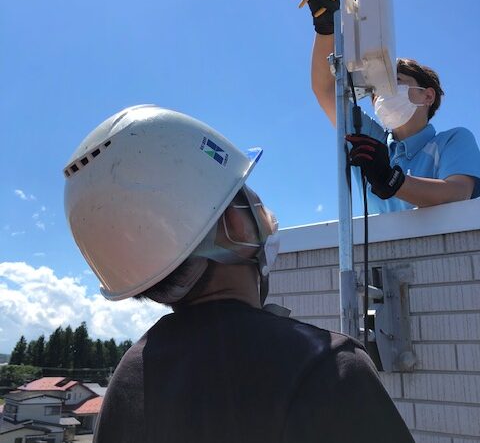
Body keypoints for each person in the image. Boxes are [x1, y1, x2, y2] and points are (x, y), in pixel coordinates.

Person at [64, 104, 414, 442]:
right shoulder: (328, 367)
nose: (267, 214)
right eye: (248, 196)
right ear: (237, 227)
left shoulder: (131, 373)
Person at [302, 0, 480, 213]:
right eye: (376, 89)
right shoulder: (371, 141)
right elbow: (326, 90)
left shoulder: (453, 140)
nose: (382, 94)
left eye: (395, 81)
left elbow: (458, 192)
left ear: (428, 96)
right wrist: (325, 27)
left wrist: (392, 180)